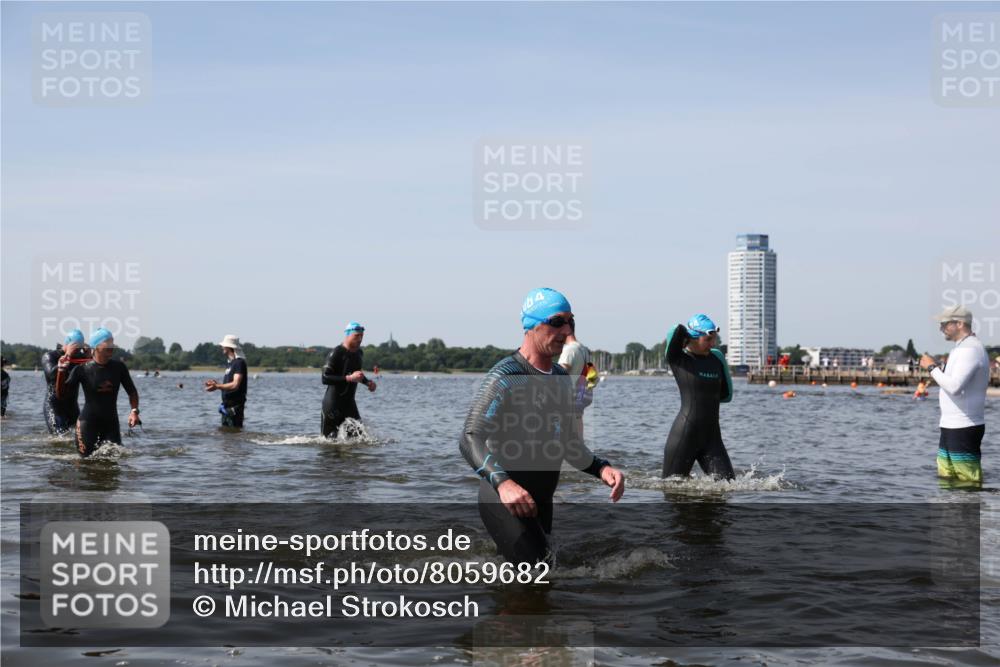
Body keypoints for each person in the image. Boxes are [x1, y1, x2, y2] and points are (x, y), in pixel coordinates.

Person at [460, 288, 625, 564]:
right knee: (537, 575)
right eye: (557, 321)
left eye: (571, 321)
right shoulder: (506, 376)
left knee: (537, 583)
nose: (567, 330)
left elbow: (568, 444)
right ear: (531, 326)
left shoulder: (560, 378)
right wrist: (504, 484)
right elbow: (469, 437)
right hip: (504, 499)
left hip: (540, 501)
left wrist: (601, 468)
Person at [919, 306, 990, 485]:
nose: (941, 328)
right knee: (947, 478)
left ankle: (969, 511)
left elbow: (954, 387)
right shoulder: (961, 348)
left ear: (959, 324)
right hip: (951, 425)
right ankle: (949, 512)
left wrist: (930, 367)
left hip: (964, 425)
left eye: (944, 324)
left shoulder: (971, 349)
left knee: (967, 482)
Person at [662, 314, 736, 480]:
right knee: (672, 489)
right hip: (684, 436)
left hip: (712, 438)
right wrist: (688, 334)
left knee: (728, 486)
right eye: (708, 339)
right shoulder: (679, 358)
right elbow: (676, 330)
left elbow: (726, 396)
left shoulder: (716, 358)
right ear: (693, 338)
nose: (713, 343)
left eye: (714, 339)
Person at [56, 328, 139, 457]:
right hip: (87, 424)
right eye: (107, 344)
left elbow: (132, 392)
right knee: (86, 465)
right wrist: (61, 371)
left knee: (114, 462)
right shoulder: (81, 370)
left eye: (112, 344)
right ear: (96, 346)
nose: (111, 347)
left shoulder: (119, 368)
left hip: (111, 424)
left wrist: (134, 412)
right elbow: (61, 395)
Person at [321, 322, 376, 438]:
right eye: (356, 336)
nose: (360, 339)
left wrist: (368, 383)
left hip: (349, 404)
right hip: (333, 405)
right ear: (347, 335)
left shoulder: (359, 353)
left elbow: (357, 374)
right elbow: (325, 378)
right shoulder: (336, 353)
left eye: (361, 336)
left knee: (360, 438)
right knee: (329, 441)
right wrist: (349, 378)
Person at [42, 329, 87, 434]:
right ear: (68, 343)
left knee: (80, 436)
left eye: (80, 348)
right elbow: (52, 375)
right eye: (76, 348)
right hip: (54, 406)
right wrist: (68, 356)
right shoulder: (50, 356)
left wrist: (90, 356)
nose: (78, 352)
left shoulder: (80, 357)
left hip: (72, 406)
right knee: (59, 437)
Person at [205, 334, 248, 428]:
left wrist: (217, 386)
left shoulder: (239, 363)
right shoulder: (231, 364)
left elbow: (235, 385)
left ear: (229, 347)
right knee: (227, 436)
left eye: (223, 346)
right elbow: (228, 385)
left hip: (235, 408)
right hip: (226, 407)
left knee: (234, 436)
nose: (222, 347)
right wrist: (216, 384)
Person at [557, 318, 596, 420]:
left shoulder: (569, 350)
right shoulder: (584, 350)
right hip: (579, 401)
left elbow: (557, 378)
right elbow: (593, 377)